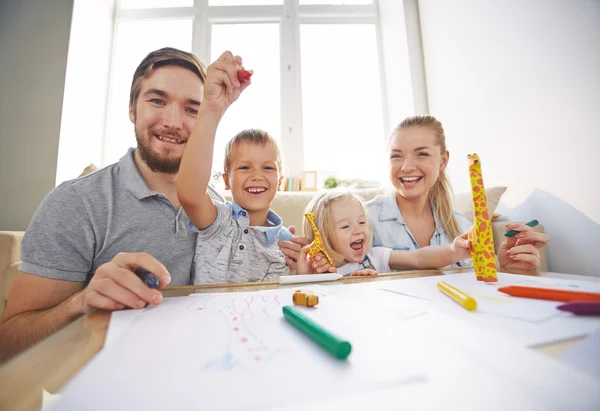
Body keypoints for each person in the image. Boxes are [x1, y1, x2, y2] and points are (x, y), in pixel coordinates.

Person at [0, 47, 225, 362]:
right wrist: (82, 303)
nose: (174, 122)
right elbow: (7, 345)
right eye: (157, 101)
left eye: (192, 109)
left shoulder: (218, 209)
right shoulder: (76, 204)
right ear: (132, 109)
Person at [365, 115, 549, 272]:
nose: (406, 167)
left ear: (443, 160)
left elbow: (480, 286)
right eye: (396, 156)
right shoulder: (363, 221)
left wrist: (505, 267)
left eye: (421, 154)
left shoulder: (462, 227)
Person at [177, 54, 294, 283]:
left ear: (280, 181)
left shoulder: (287, 242)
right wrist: (211, 109)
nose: (257, 176)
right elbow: (190, 195)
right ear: (227, 180)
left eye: (268, 168)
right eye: (244, 167)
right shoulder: (218, 220)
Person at [295, 190, 471, 276]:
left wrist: (453, 251)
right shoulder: (316, 271)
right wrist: (305, 276)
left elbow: (418, 258)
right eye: (345, 226)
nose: (358, 229)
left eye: (362, 222)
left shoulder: (375, 256)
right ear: (322, 236)